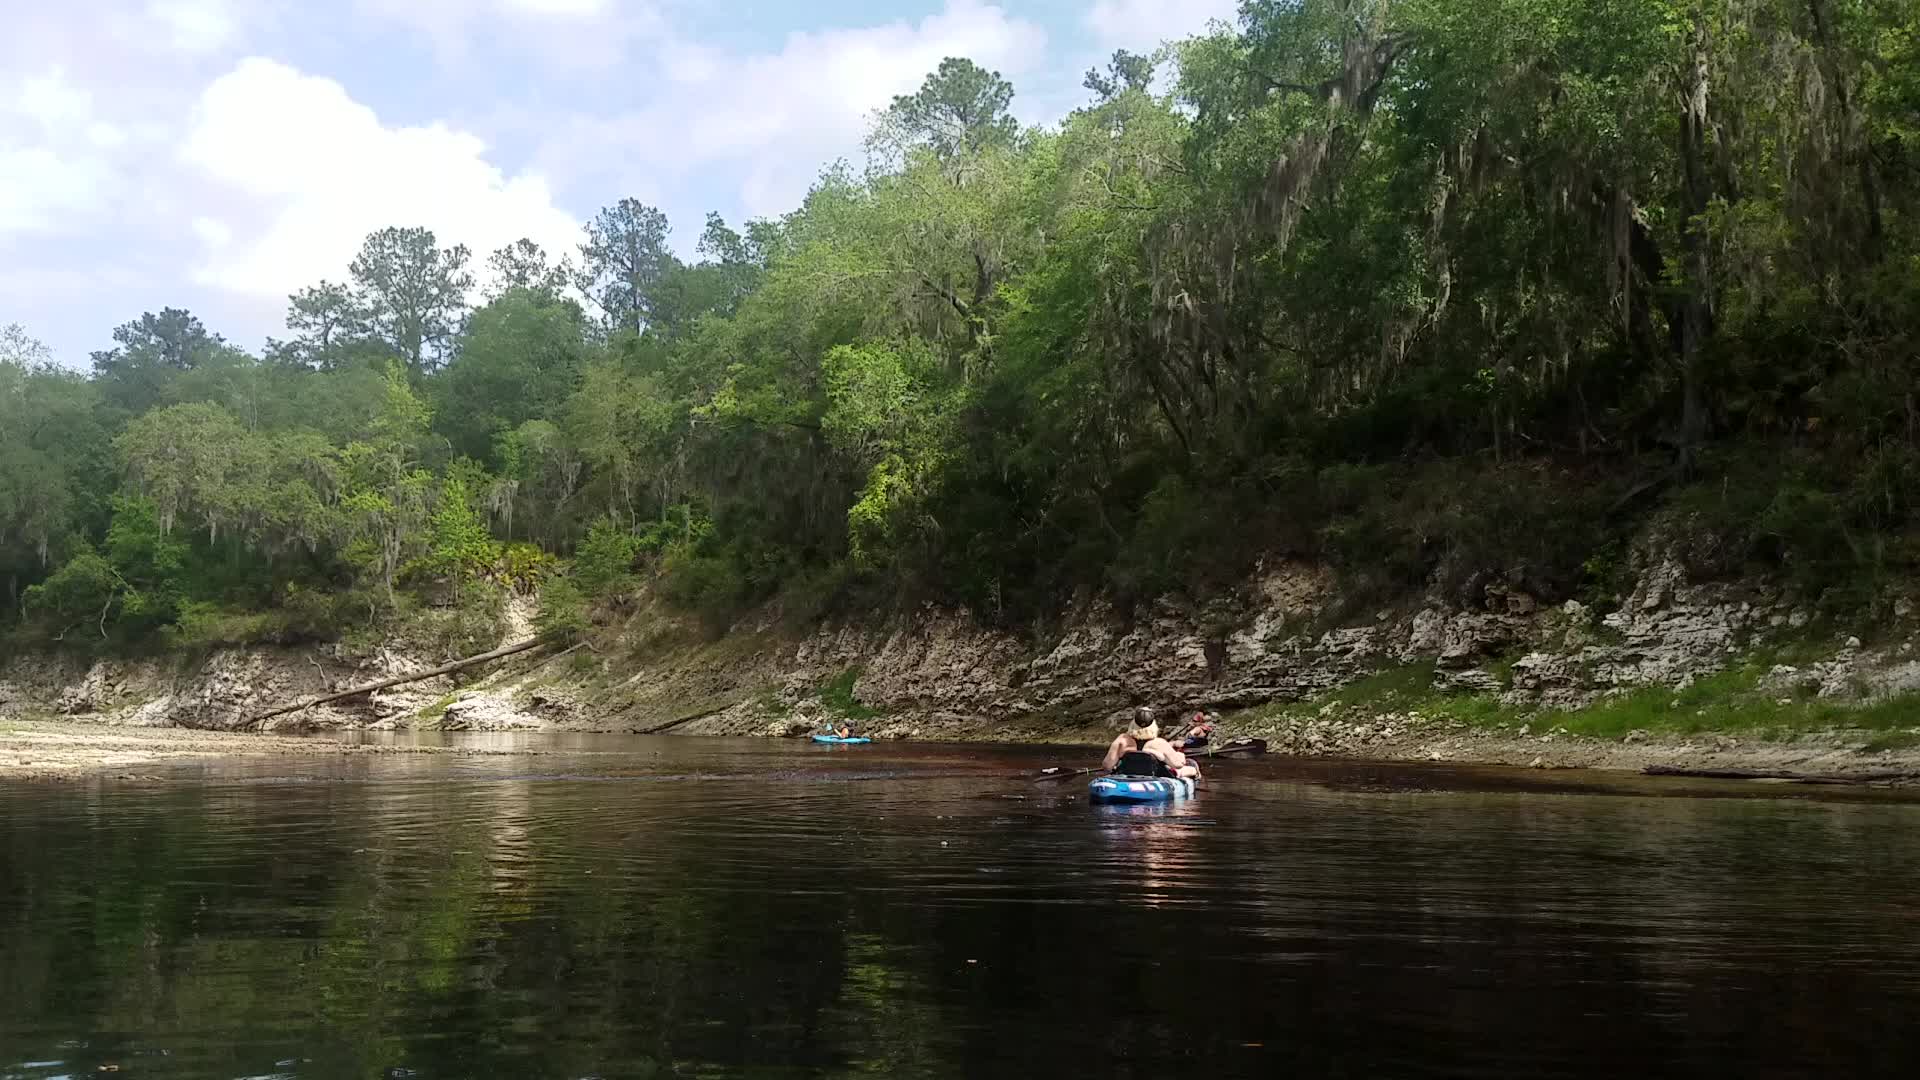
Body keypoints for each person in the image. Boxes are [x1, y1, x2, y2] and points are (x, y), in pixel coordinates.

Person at [1101, 707, 1200, 781]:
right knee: (1190, 769)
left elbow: (1107, 766)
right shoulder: (1159, 743)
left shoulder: (1121, 740)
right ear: (1153, 725)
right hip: (1154, 777)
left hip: (1126, 775)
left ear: (1133, 723)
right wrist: (1180, 756)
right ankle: (1196, 774)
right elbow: (1177, 765)